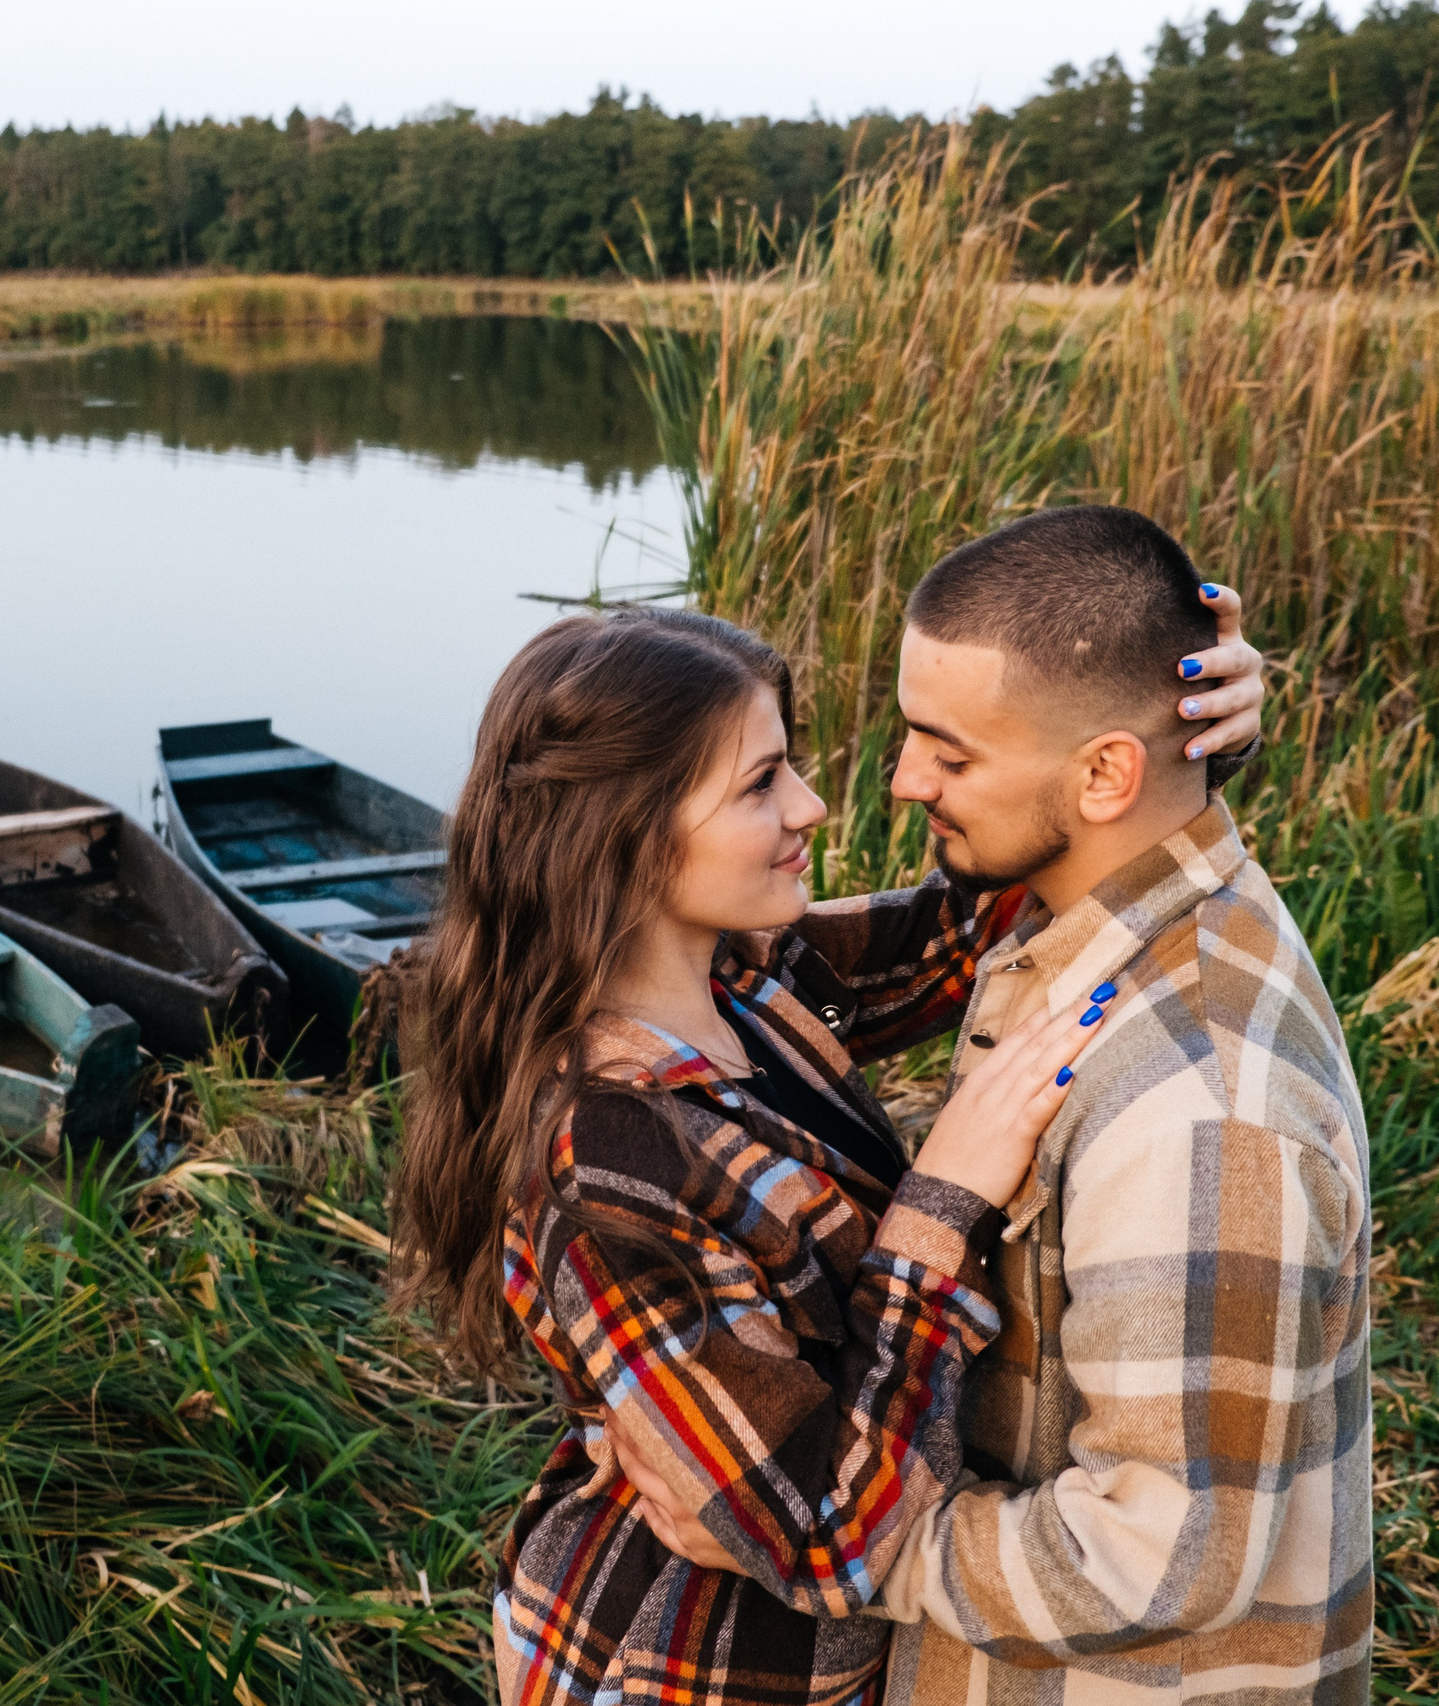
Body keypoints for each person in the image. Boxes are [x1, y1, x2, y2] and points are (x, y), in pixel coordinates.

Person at [391, 556, 1268, 1706]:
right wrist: (938, 1203)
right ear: (629, 836)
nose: (811, 805)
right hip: (695, 1661)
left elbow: (1001, 896)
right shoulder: (603, 1156)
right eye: (761, 783)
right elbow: (821, 1529)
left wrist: (1170, 739)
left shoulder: (753, 977)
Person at [620, 506, 1373, 1705]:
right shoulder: (1065, 914)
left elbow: (1156, 1558)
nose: (899, 779)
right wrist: (1203, 748)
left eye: (949, 754)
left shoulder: (1201, 1114)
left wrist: (861, 1541)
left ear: (1103, 773)